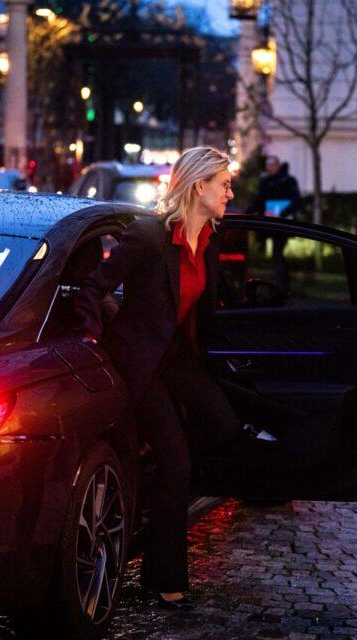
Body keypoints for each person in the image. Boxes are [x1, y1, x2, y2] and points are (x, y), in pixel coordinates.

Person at [74, 146, 273, 610]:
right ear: (199, 186)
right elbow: (94, 285)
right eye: (224, 185)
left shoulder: (210, 237)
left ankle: (154, 487)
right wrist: (91, 340)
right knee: (176, 462)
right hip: (139, 361)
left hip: (179, 356)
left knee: (224, 425)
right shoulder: (149, 236)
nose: (230, 193)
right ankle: (164, 577)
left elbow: (206, 302)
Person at [245, 155, 301, 290]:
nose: (269, 168)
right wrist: (247, 213)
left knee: (277, 252)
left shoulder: (287, 181)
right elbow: (259, 200)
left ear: (278, 165)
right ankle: (280, 283)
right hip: (270, 222)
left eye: (272, 165)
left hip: (282, 224)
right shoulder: (266, 181)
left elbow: (296, 201)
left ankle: (281, 284)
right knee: (275, 253)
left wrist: (282, 213)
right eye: (268, 165)